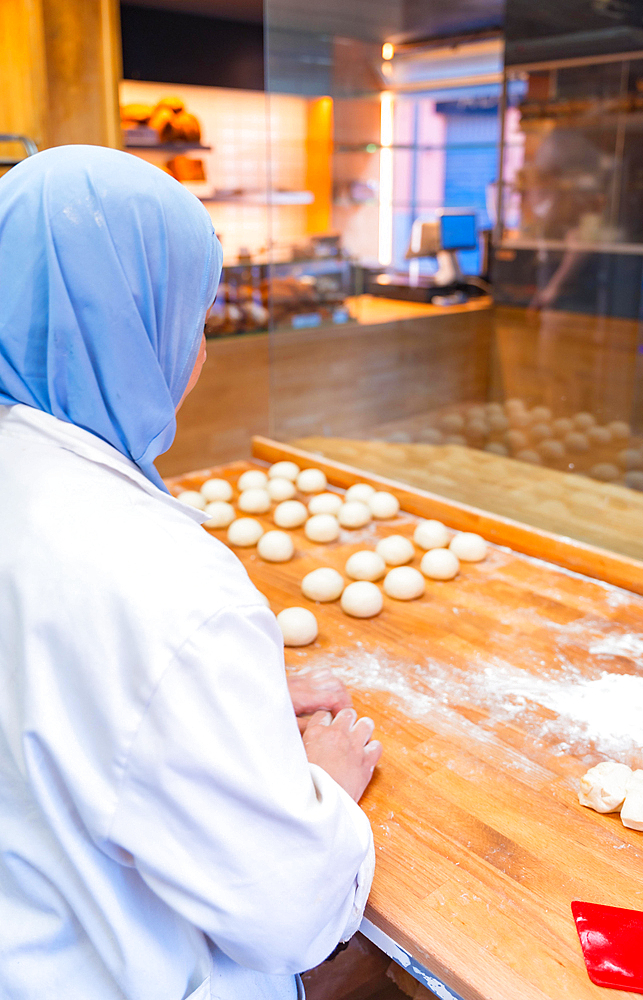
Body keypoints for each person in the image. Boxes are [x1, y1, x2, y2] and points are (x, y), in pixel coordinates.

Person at [0, 145, 382, 1000]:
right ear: (131, 327)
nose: (200, 354)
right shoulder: (162, 582)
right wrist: (323, 782)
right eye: (196, 318)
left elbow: (49, 704)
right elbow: (291, 910)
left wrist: (211, 707)